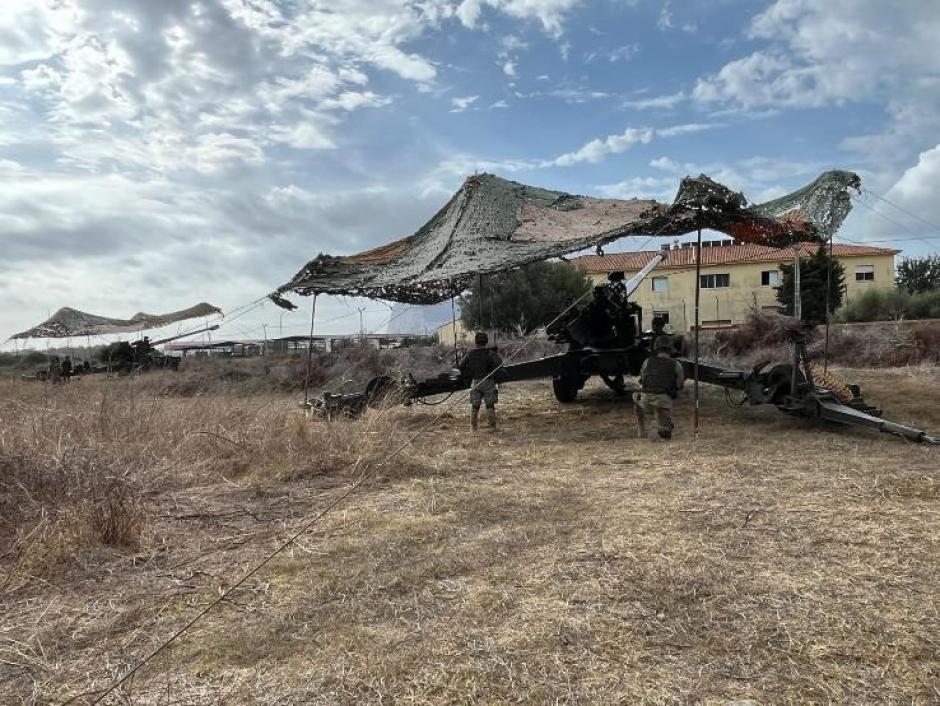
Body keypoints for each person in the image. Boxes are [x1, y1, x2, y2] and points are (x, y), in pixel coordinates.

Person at [635, 336, 685, 440]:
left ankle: (641, 428)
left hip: (646, 400)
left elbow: (642, 381)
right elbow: (679, 385)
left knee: (635, 396)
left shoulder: (647, 361)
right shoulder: (677, 365)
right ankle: (663, 425)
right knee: (665, 431)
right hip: (663, 401)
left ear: (656, 348)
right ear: (670, 349)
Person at [458, 331, 502, 431]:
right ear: (486, 341)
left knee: (475, 405)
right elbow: (500, 364)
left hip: (475, 382)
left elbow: (461, 366)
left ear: (476, 342)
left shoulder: (470, 353)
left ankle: (473, 428)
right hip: (488, 381)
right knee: (490, 405)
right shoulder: (490, 353)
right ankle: (492, 427)